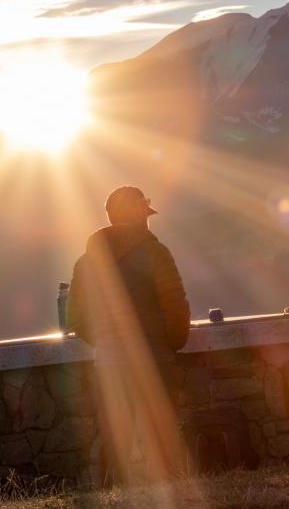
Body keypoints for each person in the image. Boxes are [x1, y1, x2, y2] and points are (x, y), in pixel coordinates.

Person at [67, 185, 190, 483]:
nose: (148, 220)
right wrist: (171, 343)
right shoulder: (155, 252)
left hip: (109, 364)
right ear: (137, 215)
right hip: (155, 359)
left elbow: (75, 318)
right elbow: (175, 305)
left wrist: (105, 342)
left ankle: (115, 495)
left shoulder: (85, 263)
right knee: (163, 441)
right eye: (145, 213)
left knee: (117, 442)